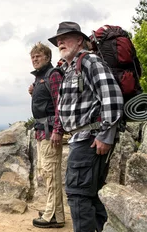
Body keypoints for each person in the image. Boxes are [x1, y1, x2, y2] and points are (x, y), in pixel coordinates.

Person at [48, 21, 124, 232]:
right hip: (81, 139)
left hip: (88, 140)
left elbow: (112, 97)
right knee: (91, 194)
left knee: (78, 195)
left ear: (80, 40)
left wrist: (105, 135)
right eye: (58, 41)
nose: (60, 42)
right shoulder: (72, 68)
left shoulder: (89, 61)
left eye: (65, 38)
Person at [29, 42, 65, 229]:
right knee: (47, 172)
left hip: (51, 131)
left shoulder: (53, 75)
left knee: (51, 173)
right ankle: (55, 213)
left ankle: (54, 217)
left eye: (38, 56)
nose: (35, 59)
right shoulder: (41, 78)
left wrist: (58, 130)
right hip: (42, 131)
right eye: (33, 57)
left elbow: (60, 105)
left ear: (47, 57)